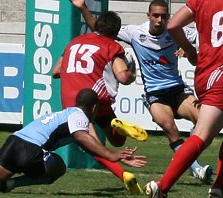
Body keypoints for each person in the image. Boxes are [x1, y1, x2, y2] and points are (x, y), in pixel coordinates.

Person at [70, 0, 213, 183]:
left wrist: (194, 50)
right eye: (156, 16)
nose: (160, 20)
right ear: (148, 16)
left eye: (164, 16)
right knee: (170, 127)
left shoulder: (177, 30)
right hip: (155, 94)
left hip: (178, 89)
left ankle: (182, 154)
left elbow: (205, 37)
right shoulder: (135, 33)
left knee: (205, 121)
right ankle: (196, 168)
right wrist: (83, 7)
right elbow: (100, 30)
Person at [144, 0, 223, 197]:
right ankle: (162, 186)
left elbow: (173, 24)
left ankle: (221, 185)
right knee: (202, 135)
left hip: (204, 74)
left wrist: (190, 50)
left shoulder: (202, 0)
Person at [0, 89, 147, 193]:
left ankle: (7, 184)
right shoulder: (79, 115)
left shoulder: (66, 113)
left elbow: (89, 144)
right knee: (59, 167)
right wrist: (113, 154)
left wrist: (110, 156)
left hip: (13, 142)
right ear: (94, 107)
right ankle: (11, 184)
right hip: (31, 149)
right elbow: (81, 137)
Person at [52, 11, 148, 194]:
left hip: (78, 102)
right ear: (116, 31)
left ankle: (123, 175)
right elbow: (122, 76)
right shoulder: (112, 46)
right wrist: (132, 72)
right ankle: (116, 125)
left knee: (92, 146)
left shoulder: (73, 43)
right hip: (97, 99)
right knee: (117, 141)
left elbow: (56, 71)